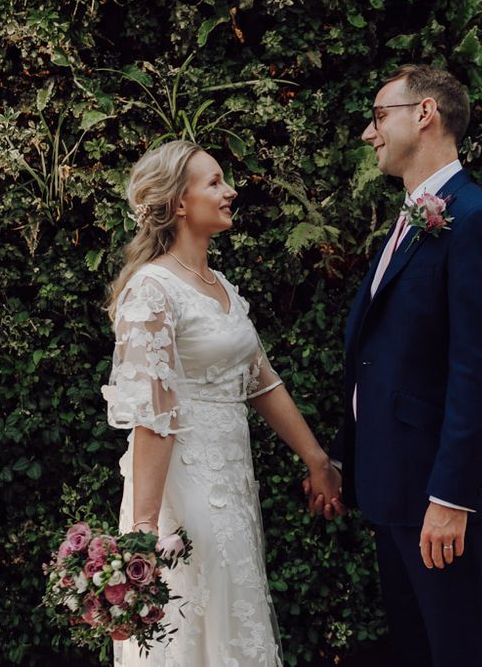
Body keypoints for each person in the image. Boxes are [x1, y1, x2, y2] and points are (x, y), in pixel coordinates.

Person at [103, 140, 342, 666]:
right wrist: (143, 531)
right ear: (179, 202)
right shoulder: (152, 289)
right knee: (189, 624)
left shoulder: (221, 288)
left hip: (232, 484)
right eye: (214, 182)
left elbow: (261, 381)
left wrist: (317, 459)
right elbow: (152, 413)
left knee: (234, 621)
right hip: (179, 491)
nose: (230, 190)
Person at [331, 64, 482, 667]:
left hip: (441, 500)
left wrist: (451, 496)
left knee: (466, 654)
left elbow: (478, 368)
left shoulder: (477, 218)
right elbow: (378, 357)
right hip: (393, 487)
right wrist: (343, 457)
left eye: (379, 114)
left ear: (425, 113)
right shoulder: (412, 217)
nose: (369, 132)